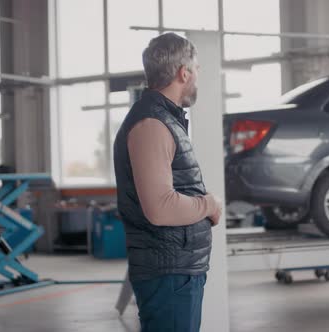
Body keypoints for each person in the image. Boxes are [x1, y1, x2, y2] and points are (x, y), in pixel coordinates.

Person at [113, 33, 222, 332]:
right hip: (169, 273)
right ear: (183, 72)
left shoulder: (164, 120)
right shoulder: (152, 124)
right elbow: (160, 208)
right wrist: (208, 204)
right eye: (196, 69)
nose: (198, 76)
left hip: (177, 270)